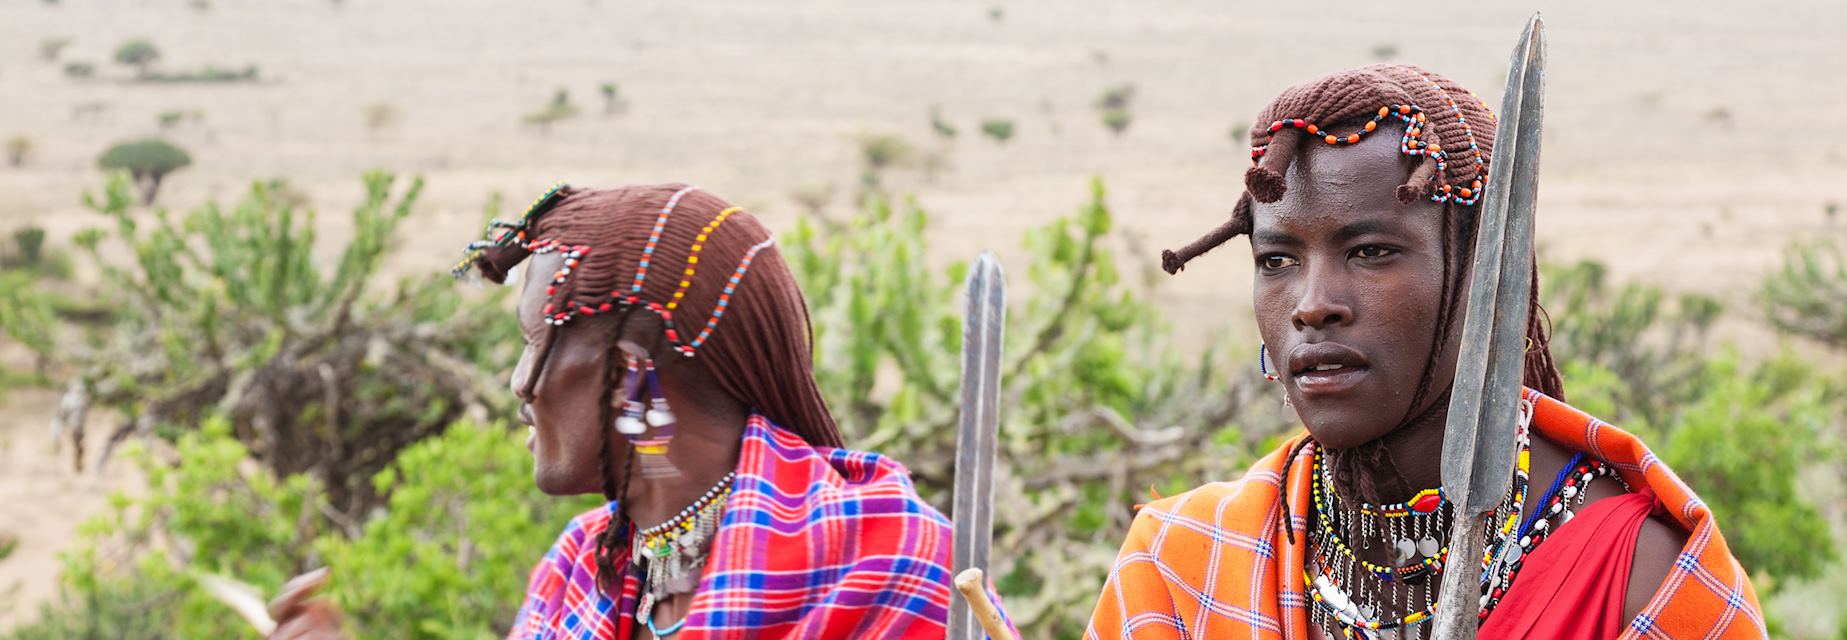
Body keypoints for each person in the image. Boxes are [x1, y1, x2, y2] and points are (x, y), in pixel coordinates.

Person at [1083, 65, 1763, 639]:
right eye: (1278, 258)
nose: (1312, 303)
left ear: (1484, 274)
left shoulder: (1640, 573)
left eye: (1371, 251)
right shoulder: (1184, 565)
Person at [272, 183, 972, 639]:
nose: (520, 386)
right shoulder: (579, 571)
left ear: (632, 375)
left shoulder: (886, 557)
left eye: (535, 344)